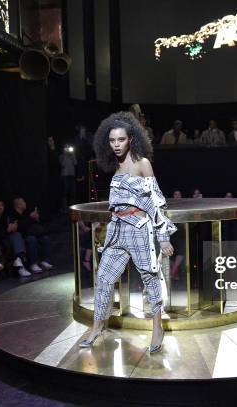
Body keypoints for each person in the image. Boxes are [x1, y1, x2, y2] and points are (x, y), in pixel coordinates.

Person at [79, 111, 176, 353]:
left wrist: (163, 237)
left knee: (150, 279)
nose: (116, 145)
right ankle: (97, 326)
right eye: (112, 141)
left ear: (131, 139)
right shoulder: (116, 167)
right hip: (117, 231)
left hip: (139, 231)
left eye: (120, 140)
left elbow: (157, 201)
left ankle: (157, 328)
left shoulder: (143, 163)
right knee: (103, 279)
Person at [8, 197, 54, 273]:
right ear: (18, 205)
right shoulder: (13, 215)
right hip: (22, 237)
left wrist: (36, 218)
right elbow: (20, 227)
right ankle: (33, 264)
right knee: (31, 239)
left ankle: (45, 261)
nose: (25, 203)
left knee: (45, 238)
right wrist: (30, 218)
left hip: (31, 234)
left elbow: (31, 225)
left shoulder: (25, 214)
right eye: (23, 202)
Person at [0, 200, 31, 276]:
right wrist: (7, 230)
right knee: (12, 239)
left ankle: (19, 261)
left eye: (2, 205)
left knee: (17, 235)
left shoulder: (7, 216)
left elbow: (12, 225)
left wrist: (14, 227)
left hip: (7, 237)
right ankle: (19, 264)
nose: (0, 207)